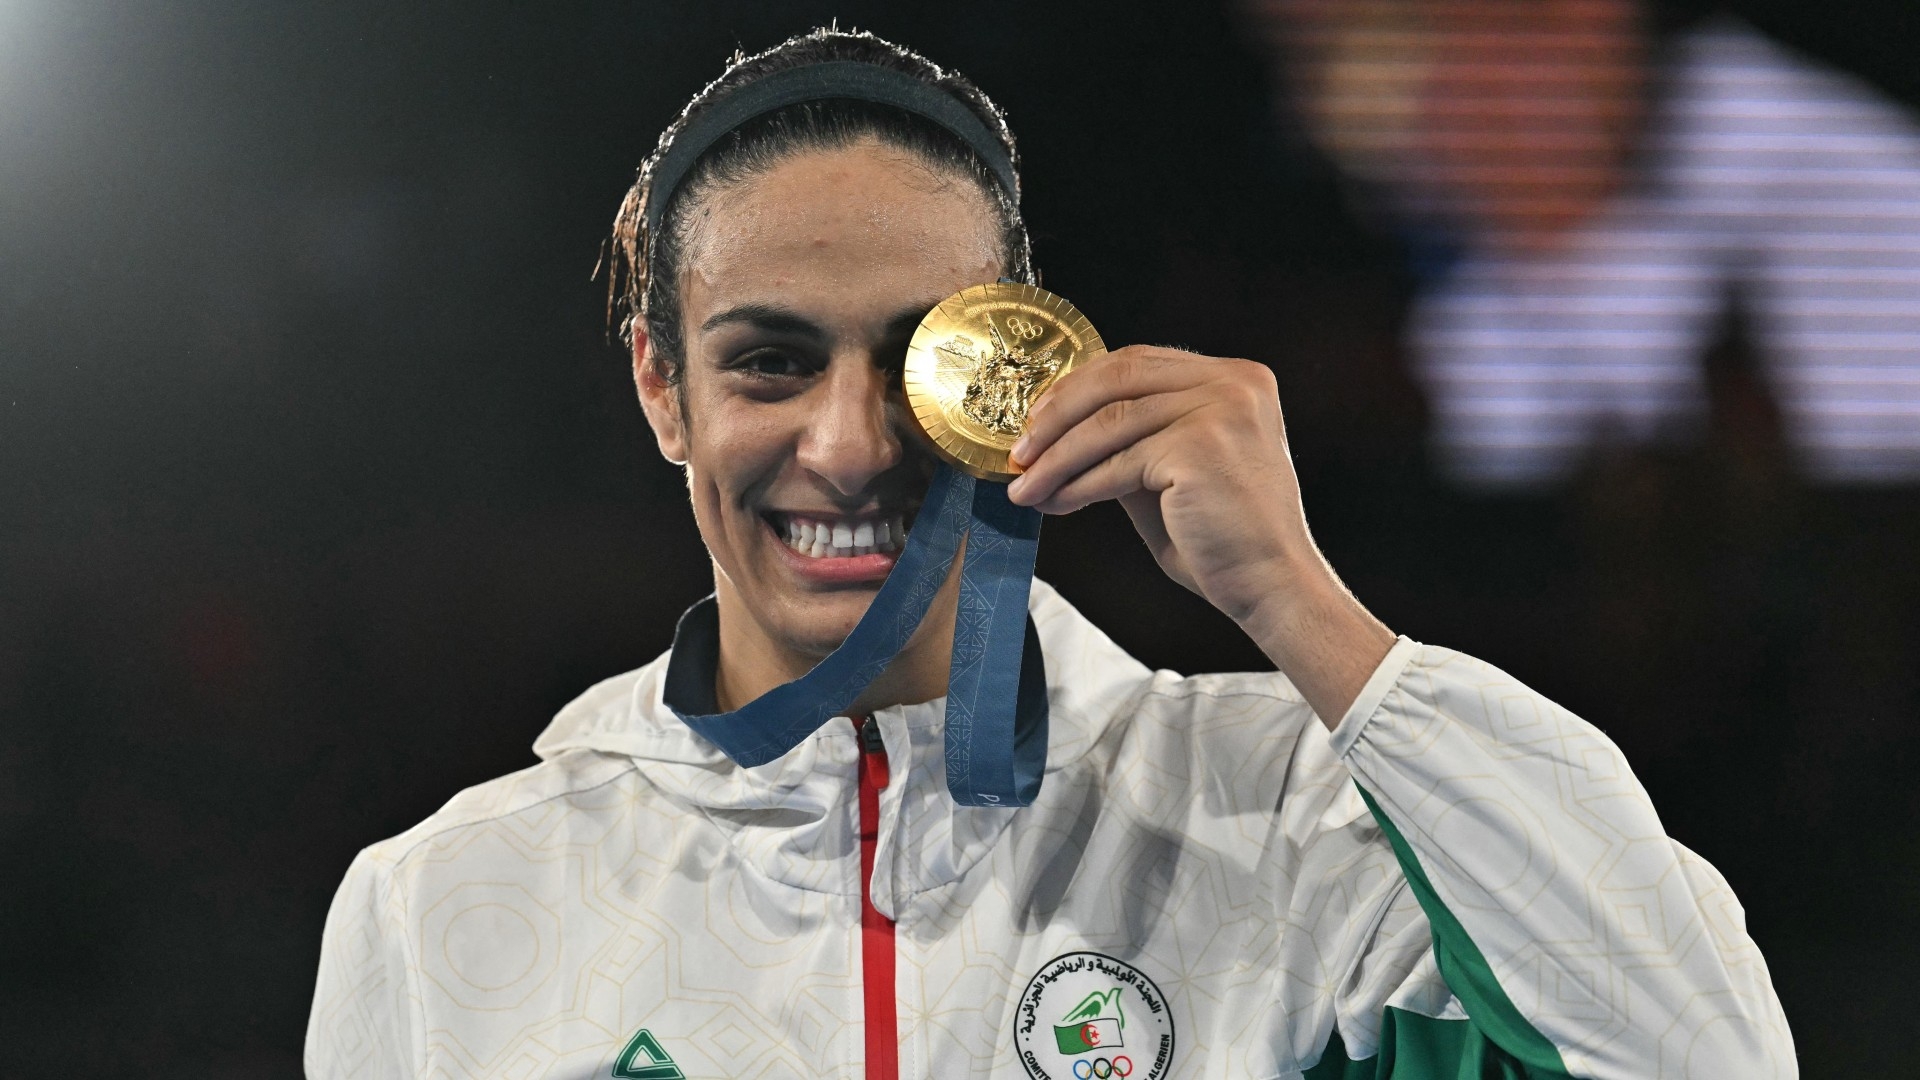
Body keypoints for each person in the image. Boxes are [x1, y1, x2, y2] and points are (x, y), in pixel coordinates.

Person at [306, 27, 1794, 1079]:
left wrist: (1303, 607)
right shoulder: (446, 905)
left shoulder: (1288, 817)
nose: (844, 445)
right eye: (767, 362)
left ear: (1012, 369)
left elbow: (1703, 1055)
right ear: (660, 385)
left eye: (914, 364)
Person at [1240, 0, 1920, 488]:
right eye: (1312, 66)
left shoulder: (1859, 211)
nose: (1346, 122)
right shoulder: (1463, 299)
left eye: (1386, 45)